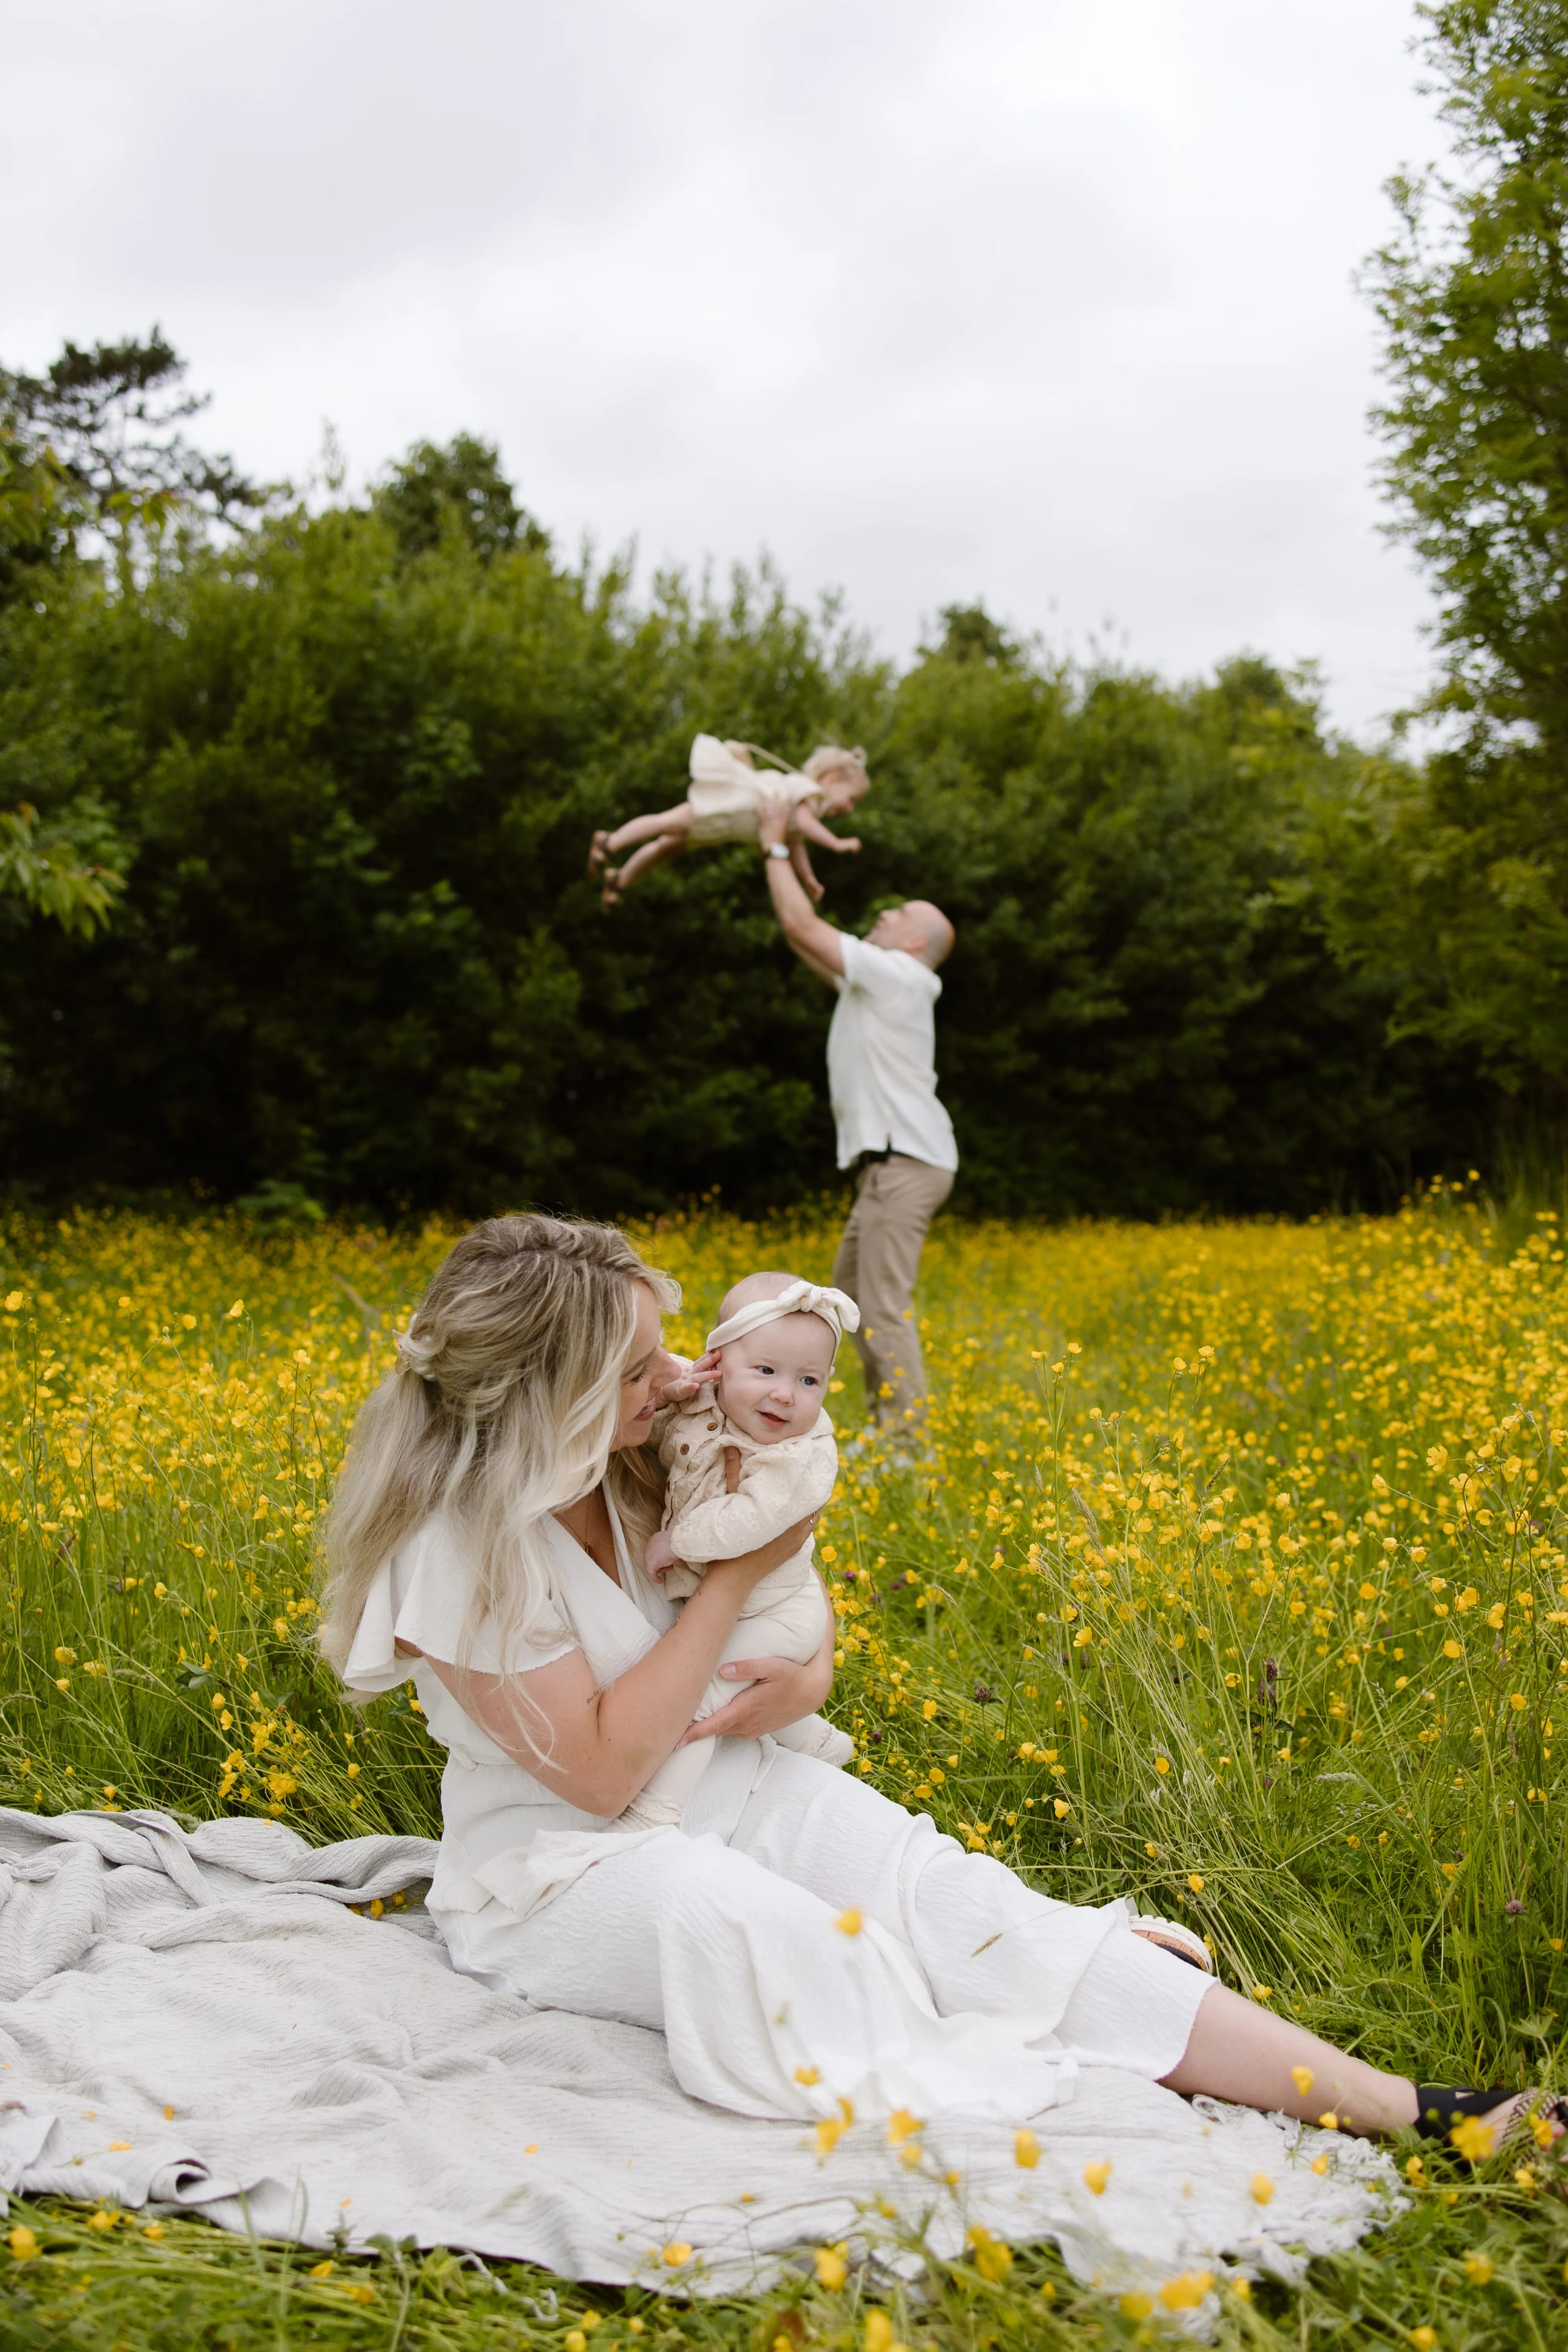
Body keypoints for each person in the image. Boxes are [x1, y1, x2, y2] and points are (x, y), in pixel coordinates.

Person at [319, 1213, 1559, 2164]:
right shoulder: (455, 1548)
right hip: (562, 1865)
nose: (687, 1376)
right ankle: (1045, 2081)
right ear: (558, 1397)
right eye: (644, 1366)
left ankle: (1425, 2115)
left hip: (730, 1779)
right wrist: (722, 1585)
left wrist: (801, 1659)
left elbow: (796, 1609)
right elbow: (595, 1774)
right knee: (764, 1931)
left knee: (961, 1905)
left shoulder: (652, 1448)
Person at [755, 786, 957, 1442]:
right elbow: (807, 941)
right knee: (844, 1303)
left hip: (908, 1163)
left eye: (898, 912)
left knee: (879, 1307)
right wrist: (791, 873)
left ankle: (906, 1446)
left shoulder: (900, 976)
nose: (885, 911)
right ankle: (869, 1431)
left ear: (916, 939)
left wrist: (775, 844)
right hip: (890, 1164)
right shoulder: (880, 983)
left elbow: (800, 929)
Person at [625, 1268, 859, 1827]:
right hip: (747, 1599)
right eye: (766, 1370)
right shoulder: (708, 1401)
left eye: (810, 1381)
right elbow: (660, 1441)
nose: (786, 1393)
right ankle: (822, 1745)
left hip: (779, 1608)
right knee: (748, 1679)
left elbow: (750, 1522)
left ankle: (655, 1813)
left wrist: (677, 1542)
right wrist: (670, 1398)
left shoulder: (799, 1454)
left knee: (710, 1688)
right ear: (718, 1363)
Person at [589, 737, 868, 908]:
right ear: (831, 780)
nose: (850, 808)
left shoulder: (811, 809)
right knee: (664, 823)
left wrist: (808, 879)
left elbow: (794, 843)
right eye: (851, 798)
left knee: (665, 847)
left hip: (722, 826)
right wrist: (837, 844)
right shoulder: (808, 792)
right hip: (726, 805)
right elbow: (805, 825)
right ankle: (610, 842)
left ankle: (620, 879)